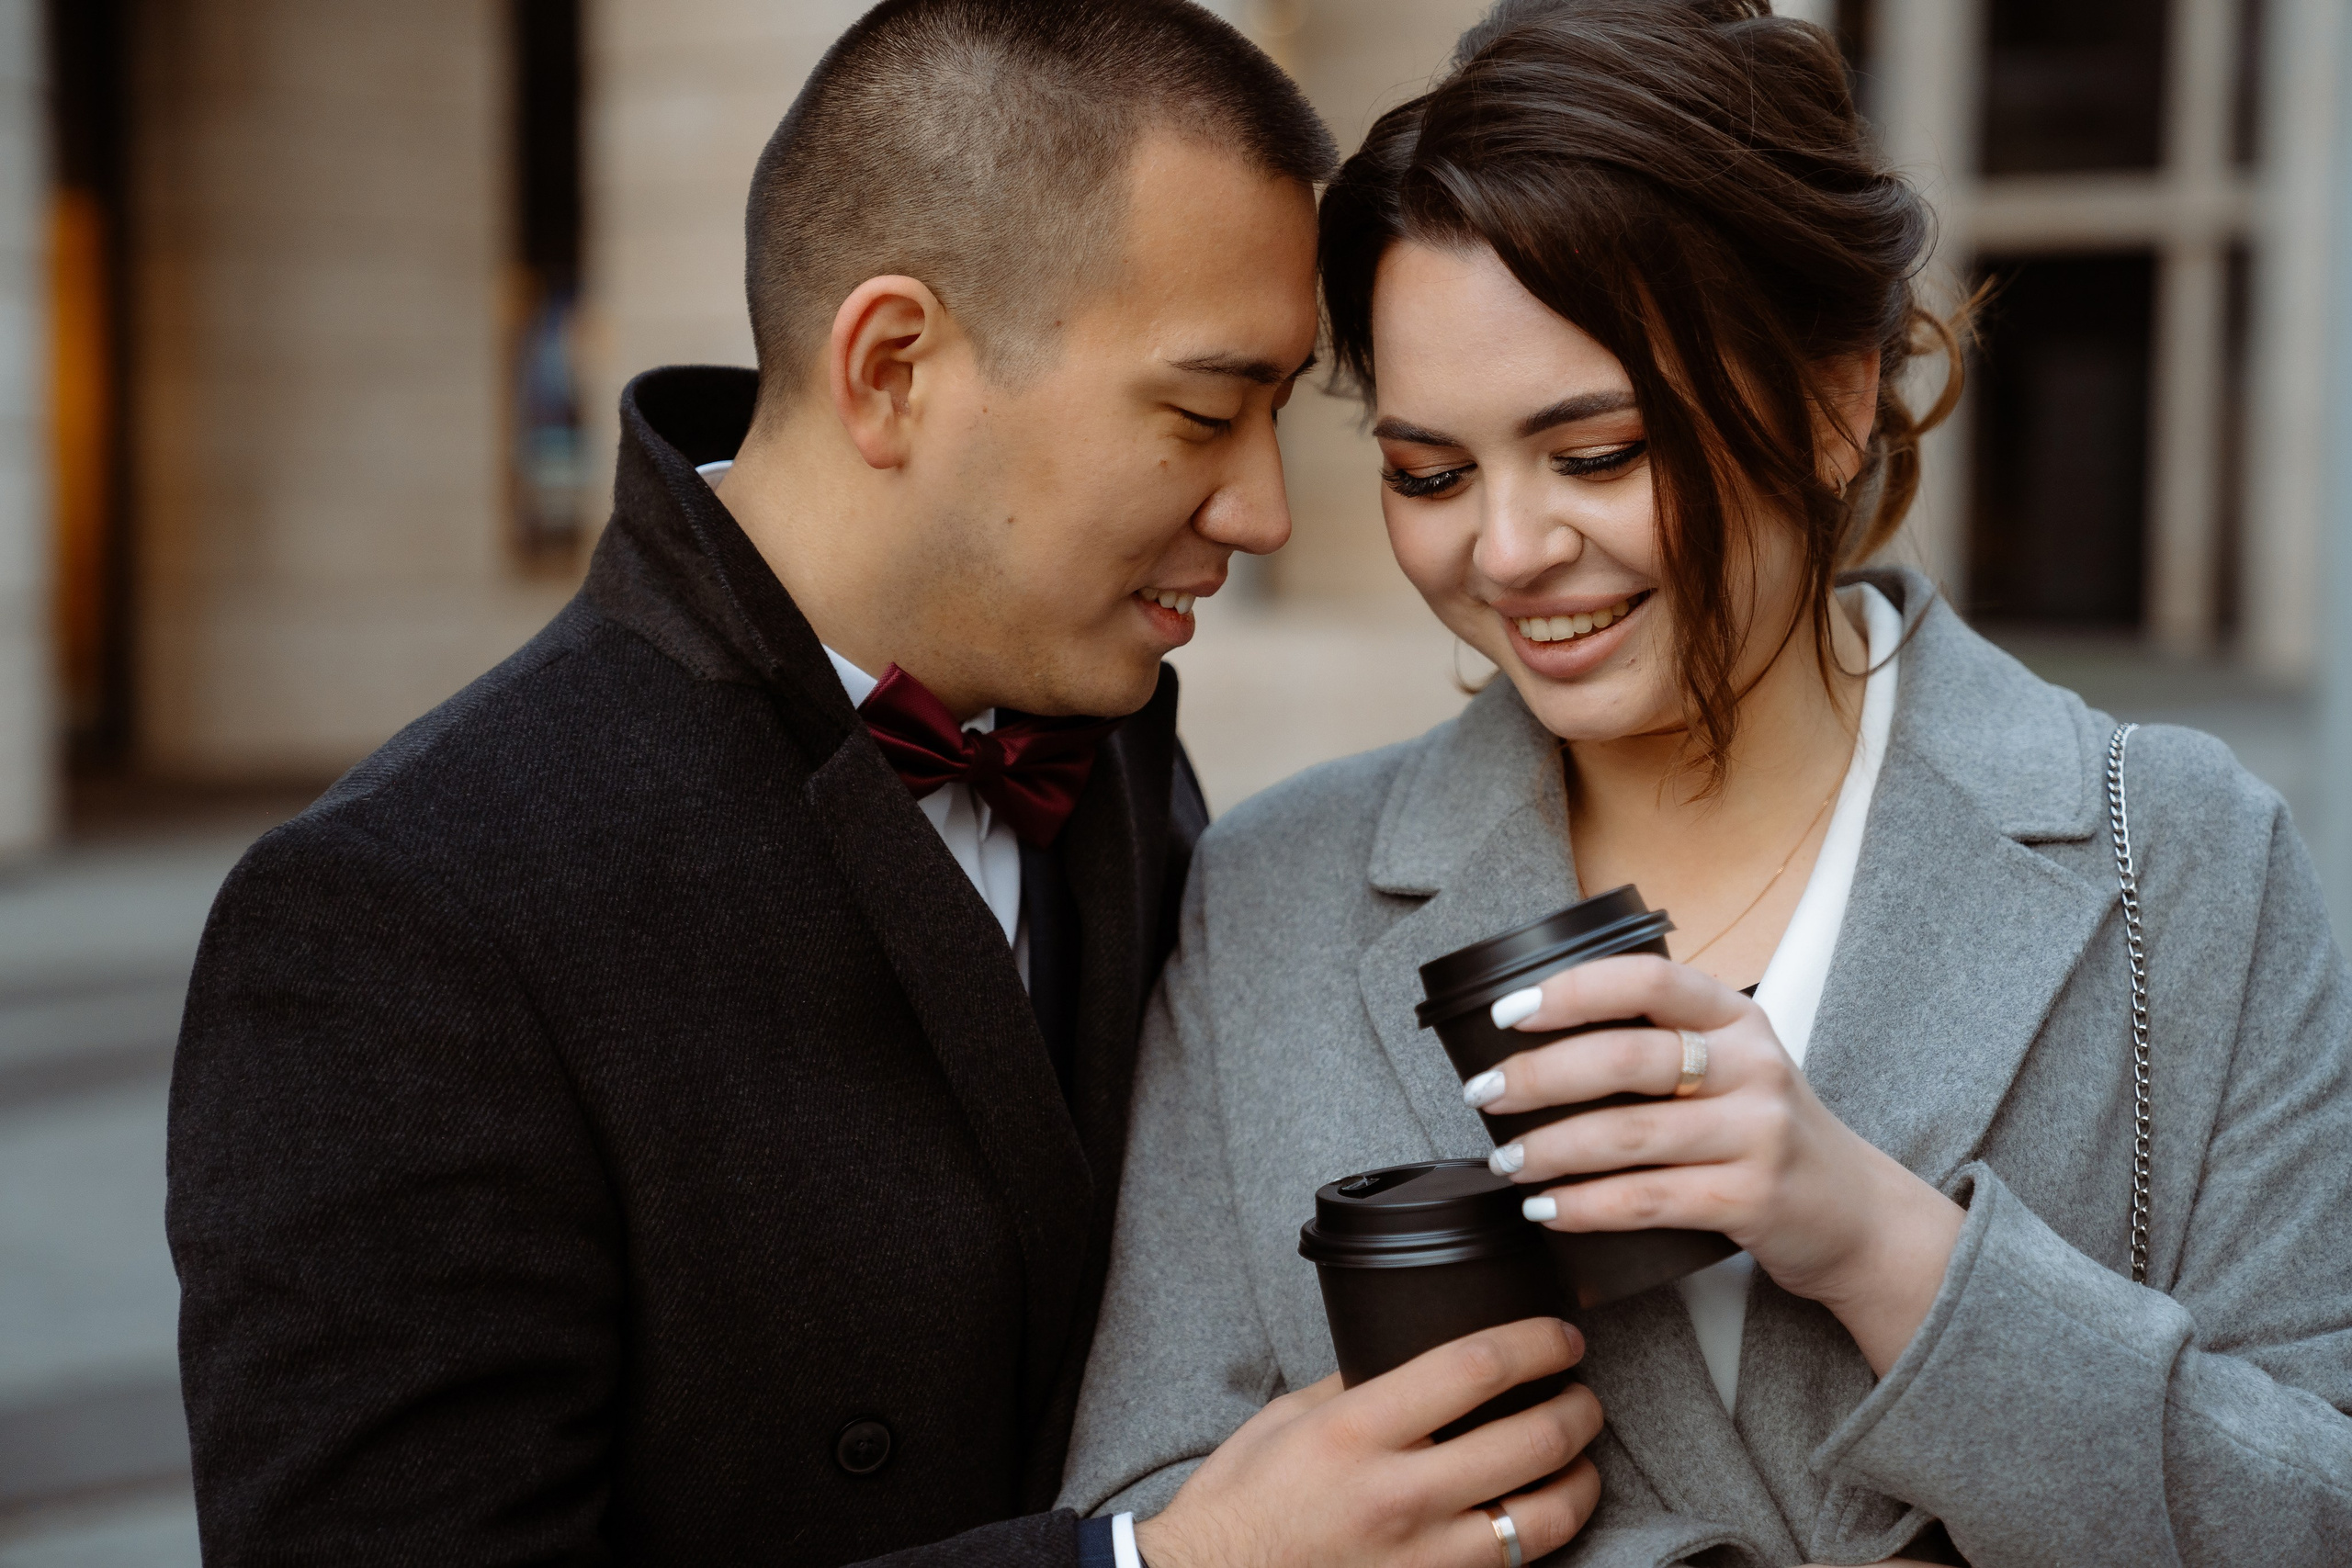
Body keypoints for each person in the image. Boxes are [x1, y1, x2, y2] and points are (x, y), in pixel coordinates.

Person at [167, 3, 1606, 1565]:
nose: (1261, 509)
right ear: (895, 366)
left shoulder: (1112, 744)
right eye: (1202, 412)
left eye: (1275, 419)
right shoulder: (396, 918)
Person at [1059, 3, 2352, 1565]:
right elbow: (1147, 1511)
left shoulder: (2185, 855)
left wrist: (1880, 1242)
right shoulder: (1273, 895)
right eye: (1431, 473)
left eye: (1597, 451)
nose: (1513, 551)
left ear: (1831, 403)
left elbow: (2316, 1509)